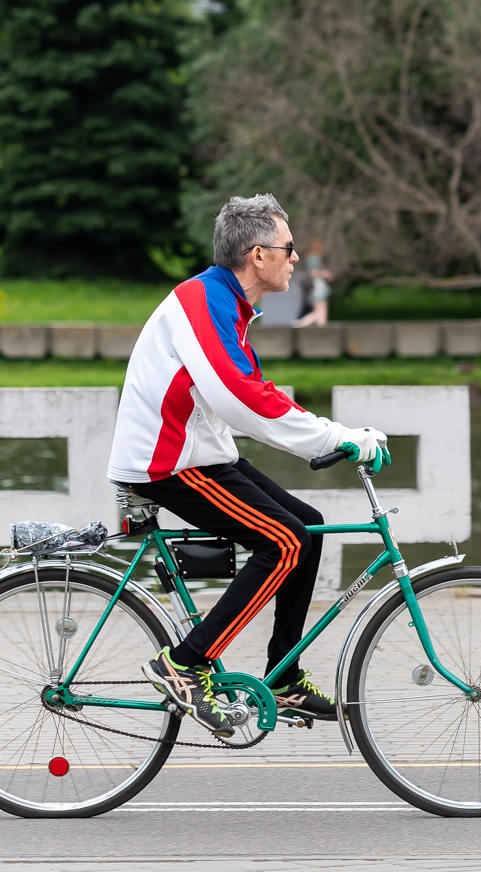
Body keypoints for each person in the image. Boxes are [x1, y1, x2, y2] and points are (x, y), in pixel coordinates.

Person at [106, 193, 390, 736]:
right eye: (289, 248)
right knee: (281, 541)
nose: (295, 259)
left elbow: (253, 394)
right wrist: (337, 437)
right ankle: (184, 666)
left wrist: (332, 435)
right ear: (257, 255)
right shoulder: (204, 304)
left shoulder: (224, 305)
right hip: (166, 462)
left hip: (197, 455)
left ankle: (282, 679)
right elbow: (244, 398)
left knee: (305, 527)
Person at [297, 238, 333, 327]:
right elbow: (313, 273)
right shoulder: (313, 259)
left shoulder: (310, 258)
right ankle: (300, 324)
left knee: (320, 312)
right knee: (320, 312)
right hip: (318, 288)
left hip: (317, 288)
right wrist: (324, 274)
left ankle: (305, 325)